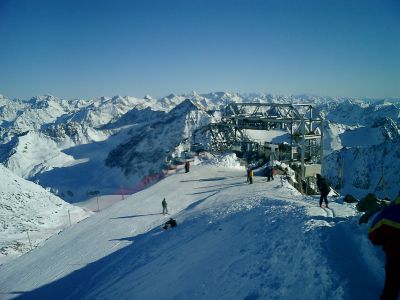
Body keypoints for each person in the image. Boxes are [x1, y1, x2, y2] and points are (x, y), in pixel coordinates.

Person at [368, 194, 400, 300]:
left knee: (392, 283)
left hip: (394, 255)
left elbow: (373, 234)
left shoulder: (389, 212)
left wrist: (383, 241)